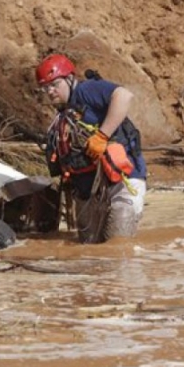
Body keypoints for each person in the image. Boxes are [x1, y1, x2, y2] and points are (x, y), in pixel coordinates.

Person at [36, 53, 147, 243]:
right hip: (88, 191)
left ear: (70, 79)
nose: (50, 91)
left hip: (122, 182)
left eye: (55, 85)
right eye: (45, 87)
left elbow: (124, 96)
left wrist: (102, 135)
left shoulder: (87, 90)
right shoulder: (62, 116)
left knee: (118, 242)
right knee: (89, 248)